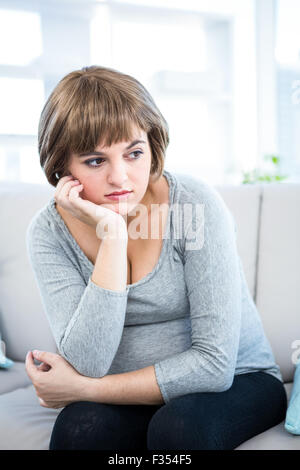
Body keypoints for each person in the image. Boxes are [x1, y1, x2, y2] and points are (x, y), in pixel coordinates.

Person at [23, 65, 287, 450]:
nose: (122, 178)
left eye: (134, 153)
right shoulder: (48, 232)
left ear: (153, 145)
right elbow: (88, 361)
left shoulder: (193, 204)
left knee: (179, 431)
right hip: (127, 392)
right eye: (96, 161)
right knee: (78, 431)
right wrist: (112, 237)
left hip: (240, 380)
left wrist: (82, 389)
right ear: (63, 167)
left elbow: (214, 367)